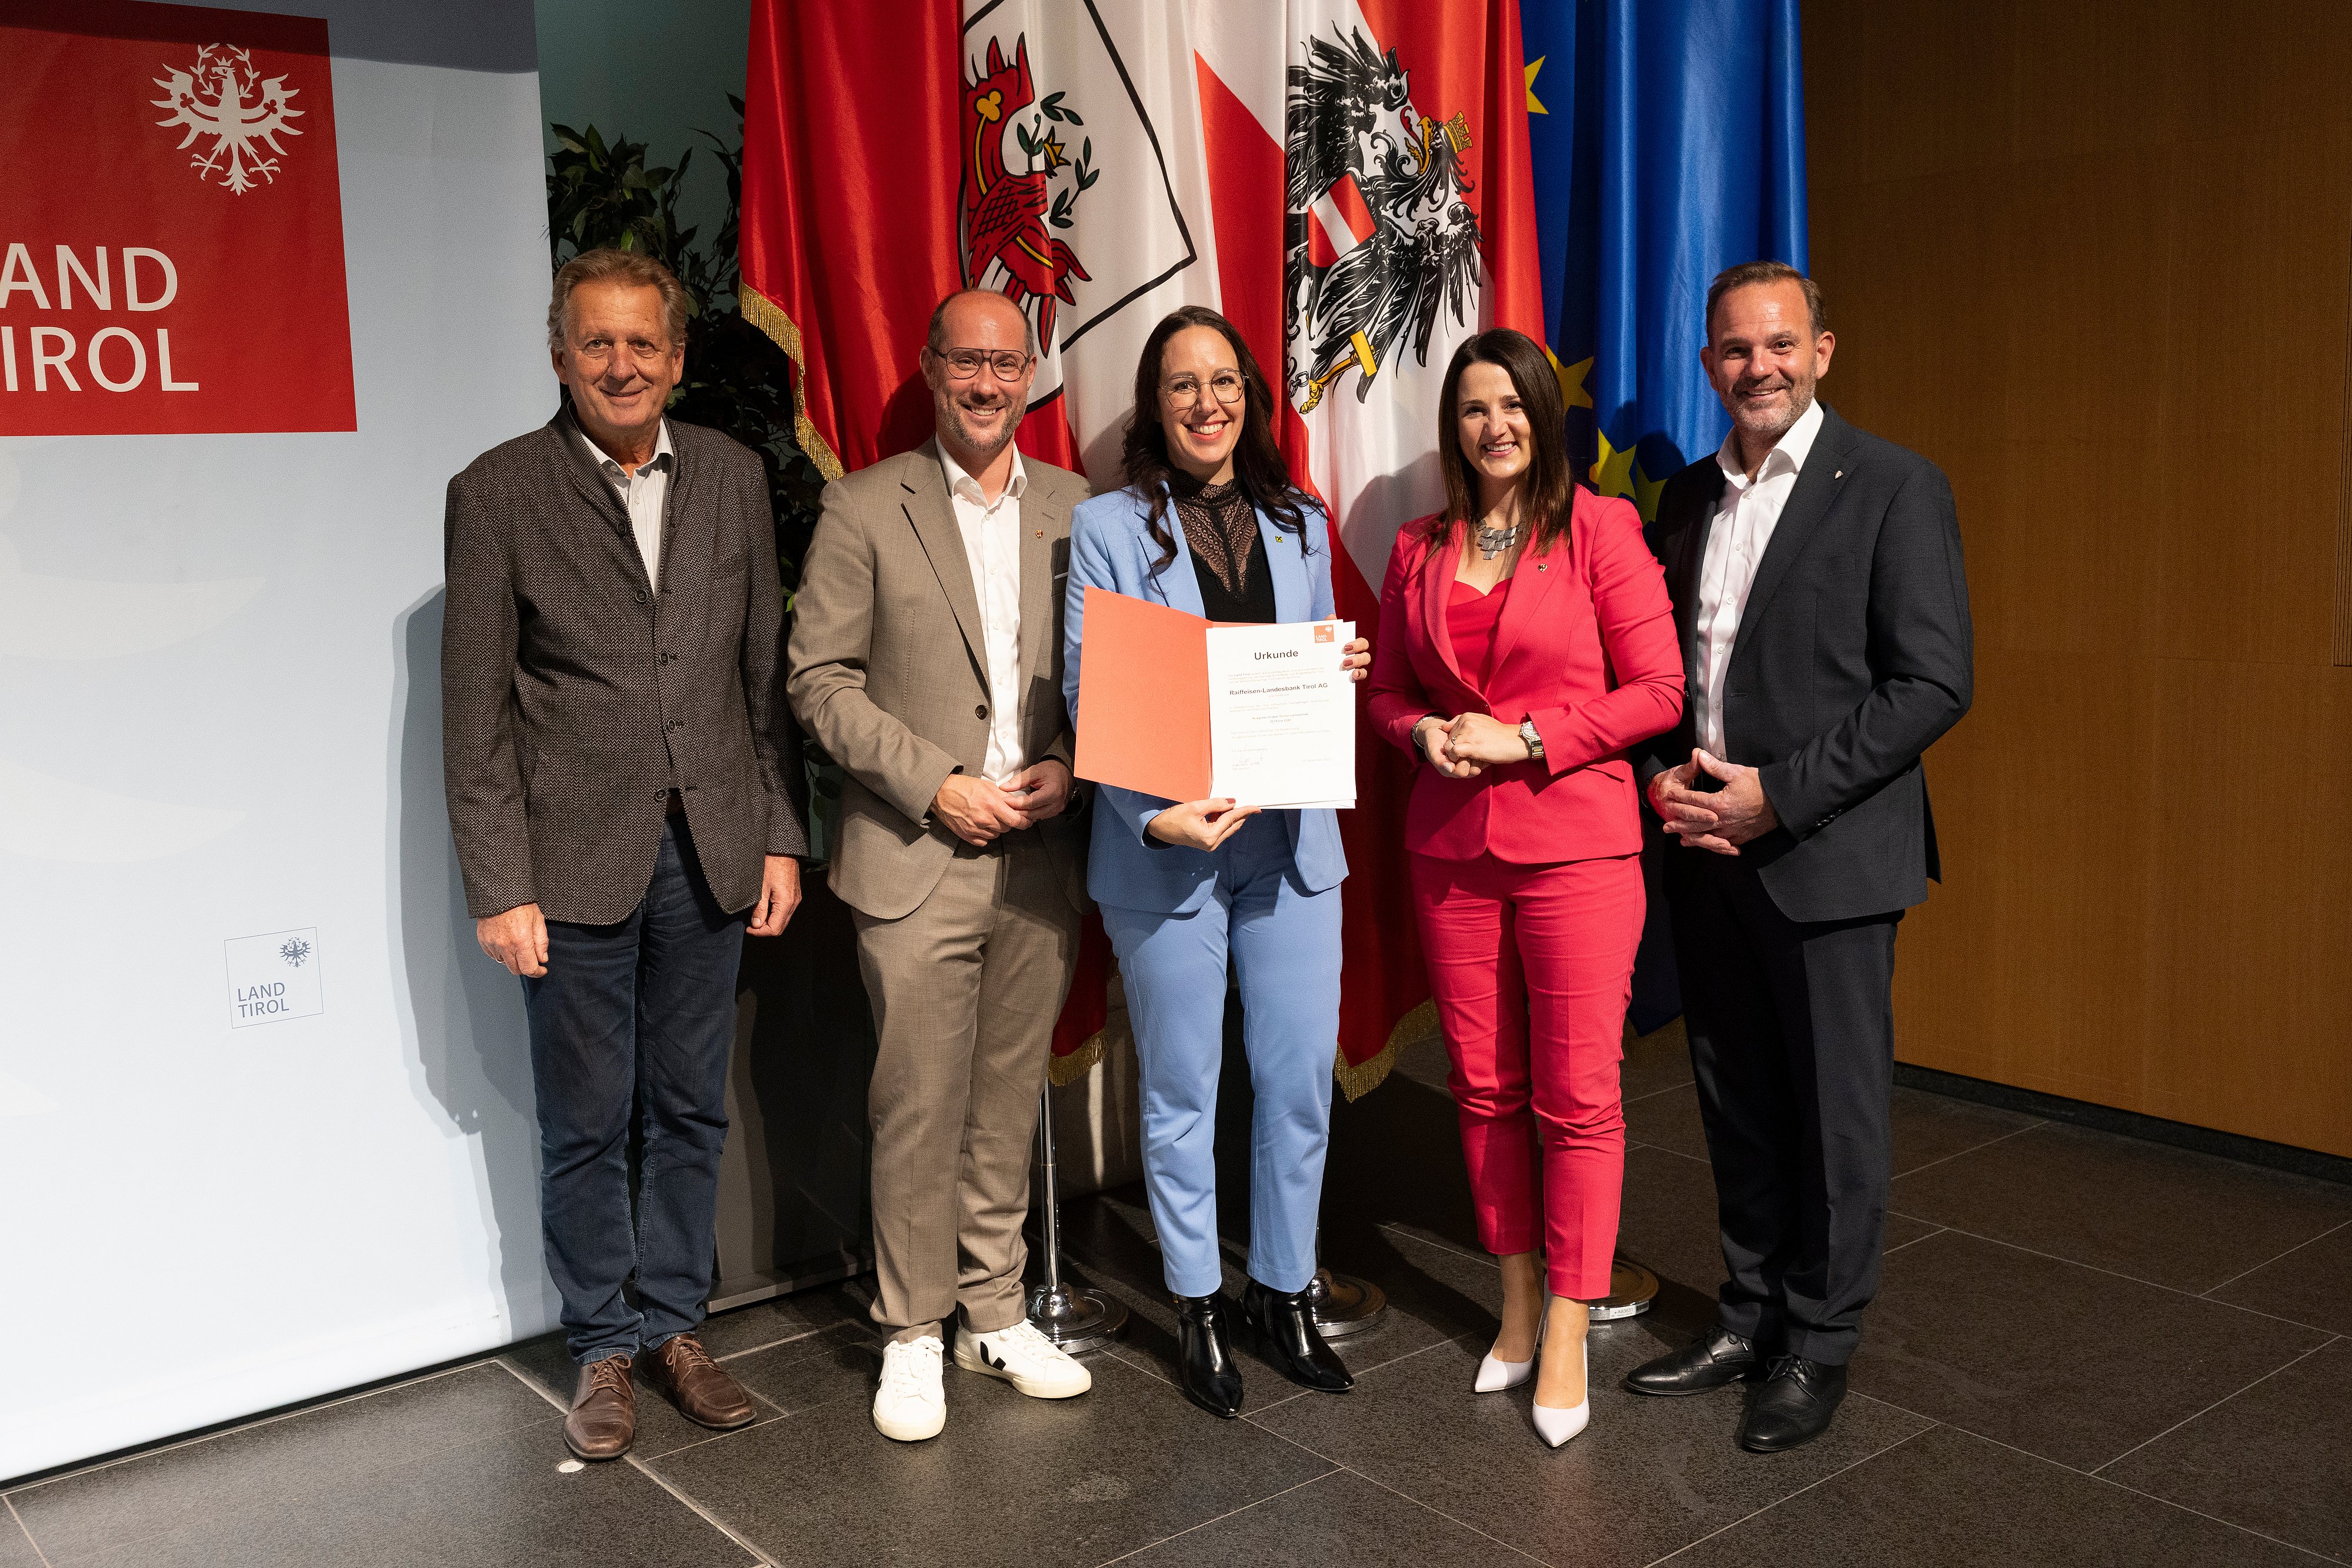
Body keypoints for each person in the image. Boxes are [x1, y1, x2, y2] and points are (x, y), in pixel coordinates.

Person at [442, 248, 807, 1461]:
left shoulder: (734, 477)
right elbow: (474, 717)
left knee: (690, 1109)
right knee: (587, 1122)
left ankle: (674, 1326)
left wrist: (779, 835)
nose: (620, 364)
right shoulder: (496, 492)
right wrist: (501, 884)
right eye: (596, 342)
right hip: (571, 863)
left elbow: (760, 680)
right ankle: (602, 1341)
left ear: (678, 356)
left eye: (642, 342)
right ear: (559, 355)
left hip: (711, 850)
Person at [1625, 261, 1973, 1453]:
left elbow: (1932, 682)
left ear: (1822, 351)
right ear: (1708, 363)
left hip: (1828, 855)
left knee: (1834, 1118)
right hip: (1705, 851)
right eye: (1735, 348)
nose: (1757, 366)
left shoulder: (1893, 486)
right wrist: (1667, 774)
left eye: (1780, 344)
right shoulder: (1684, 496)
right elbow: (1669, 672)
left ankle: (1819, 1342)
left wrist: (1776, 796)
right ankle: (1749, 1315)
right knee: (1735, 1101)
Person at [786, 288, 1094, 1443]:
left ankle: (993, 1312)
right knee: (917, 1101)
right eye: (966, 361)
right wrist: (936, 782)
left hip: (1041, 853)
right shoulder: (863, 505)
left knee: (1006, 1096)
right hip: (918, 848)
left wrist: (1071, 764)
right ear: (929, 367)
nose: (985, 383)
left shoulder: (1077, 507)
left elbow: (1109, 670)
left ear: (1030, 376)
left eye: (1005, 364)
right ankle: (911, 1330)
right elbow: (818, 681)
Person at [1367, 327, 1683, 1447]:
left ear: (1544, 415)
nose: (1493, 425)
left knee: (1577, 1098)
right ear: (1452, 427)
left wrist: (1530, 738)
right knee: (1485, 1090)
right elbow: (1388, 693)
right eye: (1472, 408)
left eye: (1511, 405)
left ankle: (1569, 1322)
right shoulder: (1418, 547)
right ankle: (1513, 1300)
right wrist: (1423, 735)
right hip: (1452, 851)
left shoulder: (1601, 529)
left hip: (1577, 854)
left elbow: (1659, 690)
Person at [1062, 305, 1371, 1420]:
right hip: (1168, 848)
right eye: (1184, 384)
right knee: (1182, 1090)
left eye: (1226, 381)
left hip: (1289, 844)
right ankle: (1197, 1302)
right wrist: (1156, 818)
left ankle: (1282, 1291)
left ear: (1250, 395)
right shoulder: (1108, 526)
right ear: (1156, 404)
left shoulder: (1301, 520)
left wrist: (1339, 667)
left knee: (1296, 1083)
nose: (1208, 403)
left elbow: (1314, 664)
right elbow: (1092, 689)